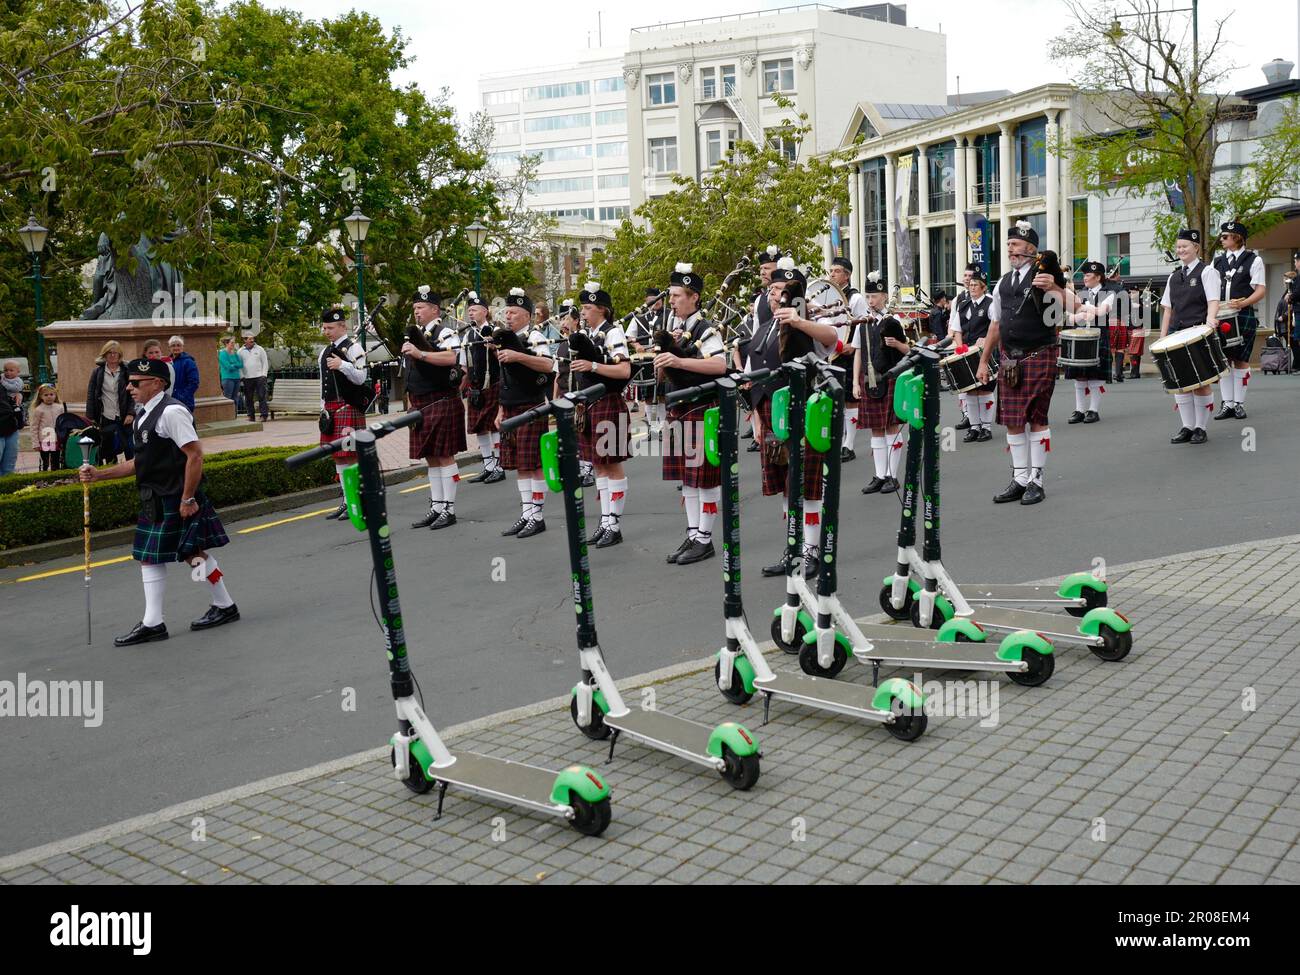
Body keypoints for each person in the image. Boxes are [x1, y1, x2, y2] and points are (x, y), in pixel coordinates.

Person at [78, 356, 238, 645]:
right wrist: (99, 475)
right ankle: (222, 605)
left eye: (136, 383)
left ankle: (157, 622)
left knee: (168, 557)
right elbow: (139, 462)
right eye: (129, 382)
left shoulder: (172, 412)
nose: (129, 387)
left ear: (158, 383)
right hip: (156, 497)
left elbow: (195, 455)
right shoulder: (143, 414)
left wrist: (188, 498)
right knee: (188, 555)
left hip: (176, 497)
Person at [748, 258, 838, 578]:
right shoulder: (762, 329)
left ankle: (812, 550)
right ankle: (794, 547)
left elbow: (832, 339)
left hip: (803, 411)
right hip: (771, 414)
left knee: (807, 487)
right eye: (771, 289)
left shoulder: (805, 322)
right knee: (788, 488)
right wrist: (755, 418)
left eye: (781, 290)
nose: (774, 295)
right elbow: (752, 377)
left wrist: (799, 321)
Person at [976, 220, 1065, 505]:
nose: (1010, 249)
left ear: (1029, 249)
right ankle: (1020, 478)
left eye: (1014, 245)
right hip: (1009, 359)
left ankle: (1036, 480)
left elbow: (1065, 307)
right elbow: (995, 324)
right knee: (1014, 422)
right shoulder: (1003, 282)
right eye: (1009, 245)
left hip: (1040, 353)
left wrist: (1055, 287)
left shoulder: (1044, 276)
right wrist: (983, 361)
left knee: (1036, 418)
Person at [658, 262, 727, 566]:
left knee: (705, 478)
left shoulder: (705, 329)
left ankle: (705, 538)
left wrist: (680, 362)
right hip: (679, 407)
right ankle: (693, 532)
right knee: (687, 478)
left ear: (694, 297)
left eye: (676, 296)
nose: (671, 301)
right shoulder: (678, 329)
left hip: (700, 407)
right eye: (671, 296)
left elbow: (719, 366)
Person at [572, 281, 633, 548]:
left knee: (612, 464)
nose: (582, 312)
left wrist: (593, 365)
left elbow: (623, 372)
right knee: (598, 465)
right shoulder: (589, 334)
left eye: (587, 307)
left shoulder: (613, 333)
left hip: (608, 401)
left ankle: (614, 524)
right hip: (590, 404)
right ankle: (605, 520)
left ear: (602, 310)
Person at [403, 287, 466, 531]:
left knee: (444, 455)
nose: (416, 312)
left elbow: (452, 358)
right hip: (420, 402)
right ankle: (437, 506)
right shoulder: (413, 334)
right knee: (430, 457)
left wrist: (421, 354)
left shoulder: (446, 332)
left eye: (420, 308)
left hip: (441, 399)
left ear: (434, 310)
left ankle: (448, 509)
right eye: (415, 308)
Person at [496, 288, 556, 539]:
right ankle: (527, 513)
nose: (508, 316)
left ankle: (538, 516)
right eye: (506, 312)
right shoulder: (504, 338)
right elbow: (504, 378)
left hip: (531, 404)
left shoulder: (535, 336)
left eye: (514, 312)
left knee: (533, 463)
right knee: (520, 464)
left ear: (527, 316)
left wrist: (518, 355)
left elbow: (548, 364)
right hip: (510, 405)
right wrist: (500, 409)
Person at [1158, 228, 1220, 444]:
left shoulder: (1207, 272)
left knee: (1202, 381)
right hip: (1176, 334)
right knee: (1180, 381)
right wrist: (1162, 337)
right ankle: (1187, 426)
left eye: (1185, 246)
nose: (1181, 250)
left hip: (1198, 332)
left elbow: (1213, 300)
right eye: (1178, 247)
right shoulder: (1174, 276)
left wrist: (1211, 321)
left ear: (1196, 247)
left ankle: (1200, 428)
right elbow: (1167, 309)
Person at [855, 271, 911, 494]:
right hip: (868, 380)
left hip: (890, 379)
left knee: (891, 427)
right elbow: (858, 353)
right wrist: (854, 383)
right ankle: (879, 475)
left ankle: (892, 475)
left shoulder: (893, 321)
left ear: (885, 297)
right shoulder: (862, 324)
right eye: (868, 297)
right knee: (875, 430)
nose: (871, 301)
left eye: (875, 296)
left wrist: (897, 344)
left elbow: (909, 351)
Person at [318, 306, 372, 518]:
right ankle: (346, 500)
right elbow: (323, 383)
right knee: (338, 457)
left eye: (330, 327)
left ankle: (357, 499)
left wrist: (342, 365)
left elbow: (360, 378)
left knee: (351, 457)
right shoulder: (324, 351)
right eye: (324, 328)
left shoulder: (354, 349)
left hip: (348, 407)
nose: (326, 331)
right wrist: (322, 409)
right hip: (331, 409)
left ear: (343, 326)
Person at [1212, 220, 1266, 420]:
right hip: (1220, 315)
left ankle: (1238, 403)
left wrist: (1243, 303)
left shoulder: (1254, 259)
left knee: (1241, 360)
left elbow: (1260, 290)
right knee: (1224, 360)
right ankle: (1227, 403)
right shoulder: (1217, 261)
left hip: (1243, 314)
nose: (1222, 239)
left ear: (1237, 238)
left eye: (1225, 236)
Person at [827, 255, 869, 462]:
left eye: (836, 271)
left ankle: (849, 445)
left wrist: (854, 346)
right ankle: (837, 440)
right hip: (831, 352)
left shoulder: (856, 298)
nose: (831, 274)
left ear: (847, 275)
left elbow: (862, 324)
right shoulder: (827, 296)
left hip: (849, 351)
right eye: (831, 270)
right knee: (835, 399)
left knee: (850, 401)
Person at [947, 270, 996, 443]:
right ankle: (974, 427)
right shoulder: (964, 305)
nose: (972, 287)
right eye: (971, 284)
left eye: (976, 285)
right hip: (967, 353)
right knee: (970, 391)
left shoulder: (991, 303)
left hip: (985, 352)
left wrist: (986, 340)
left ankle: (986, 427)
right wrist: (961, 348)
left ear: (983, 287)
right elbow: (957, 329)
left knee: (984, 389)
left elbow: (997, 327)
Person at [1063, 260, 1114, 424]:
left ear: (1098, 277)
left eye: (1088, 275)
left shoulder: (1109, 293)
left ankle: (1093, 410)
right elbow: (1070, 317)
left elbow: (1100, 312)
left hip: (1099, 337)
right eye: (1084, 275)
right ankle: (1079, 410)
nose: (1085, 278)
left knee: (1095, 377)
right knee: (1079, 376)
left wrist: (1083, 308)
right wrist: (1080, 313)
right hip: (1081, 336)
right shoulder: (1081, 293)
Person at [462, 291, 504, 484]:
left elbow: (504, 359)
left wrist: (494, 347)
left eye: (475, 310)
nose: (471, 313)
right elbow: (464, 363)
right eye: (469, 310)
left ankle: (499, 466)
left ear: (485, 312)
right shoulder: (468, 334)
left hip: (493, 383)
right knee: (479, 428)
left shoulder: (495, 331)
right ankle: (488, 466)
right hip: (475, 387)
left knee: (493, 427)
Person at [85, 340, 134, 464]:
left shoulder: (126, 371)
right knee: (108, 447)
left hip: (124, 415)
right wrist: (90, 416)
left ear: (120, 355)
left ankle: (132, 473)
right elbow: (91, 393)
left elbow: (133, 394)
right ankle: (111, 471)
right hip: (106, 415)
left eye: (115, 353)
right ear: (105, 355)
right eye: (109, 353)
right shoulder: (97, 372)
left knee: (129, 447)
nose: (112, 355)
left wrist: (131, 413)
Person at [30, 383, 63, 471]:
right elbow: (34, 427)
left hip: (56, 439)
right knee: (45, 462)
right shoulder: (39, 410)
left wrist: (63, 438)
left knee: (56, 460)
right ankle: (44, 476)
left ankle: (55, 477)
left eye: (51, 394)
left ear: (55, 395)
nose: (49, 397)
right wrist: (35, 443)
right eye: (46, 395)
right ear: (41, 396)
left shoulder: (60, 408)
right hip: (45, 440)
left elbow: (63, 424)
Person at [238, 333, 270, 422]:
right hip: (247, 378)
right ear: (245, 340)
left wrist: (264, 375)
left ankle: (264, 415)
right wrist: (242, 376)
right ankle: (250, 416)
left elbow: (265, 362)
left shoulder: (260, 349)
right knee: (249, 398)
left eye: (253, 338)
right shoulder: (240, 351)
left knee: (262, 396)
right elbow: (239, 365)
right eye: (249, 339)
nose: (252, 340)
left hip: (260, 377)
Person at [167, 335, 199, 412]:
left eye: (178, 345)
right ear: (169, 347)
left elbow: (194, 382)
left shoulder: (188, 362)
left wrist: (183, 396)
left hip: (184, 401)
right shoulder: (168, 362)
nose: (176, 348)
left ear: (182, 347)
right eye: (173, 345)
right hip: (170, 399)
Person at [0, 363, 20, 476]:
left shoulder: (3, 380)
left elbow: (15, 390)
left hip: (10, 425)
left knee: (8, 467)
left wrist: (19, 394)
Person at [218, 336, 243, 410]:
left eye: (234, 343)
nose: (233, 344)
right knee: (228, 398)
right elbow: (228, 367)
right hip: (228, 379)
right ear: (226, 343)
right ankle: (227, 414)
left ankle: (234, 415)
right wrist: (235, 365)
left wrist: (233, 364)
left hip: (237, 378)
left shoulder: (235, 354)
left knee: (235, 398)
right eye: (232, 343)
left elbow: (241, 364)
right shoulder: (223, 354)